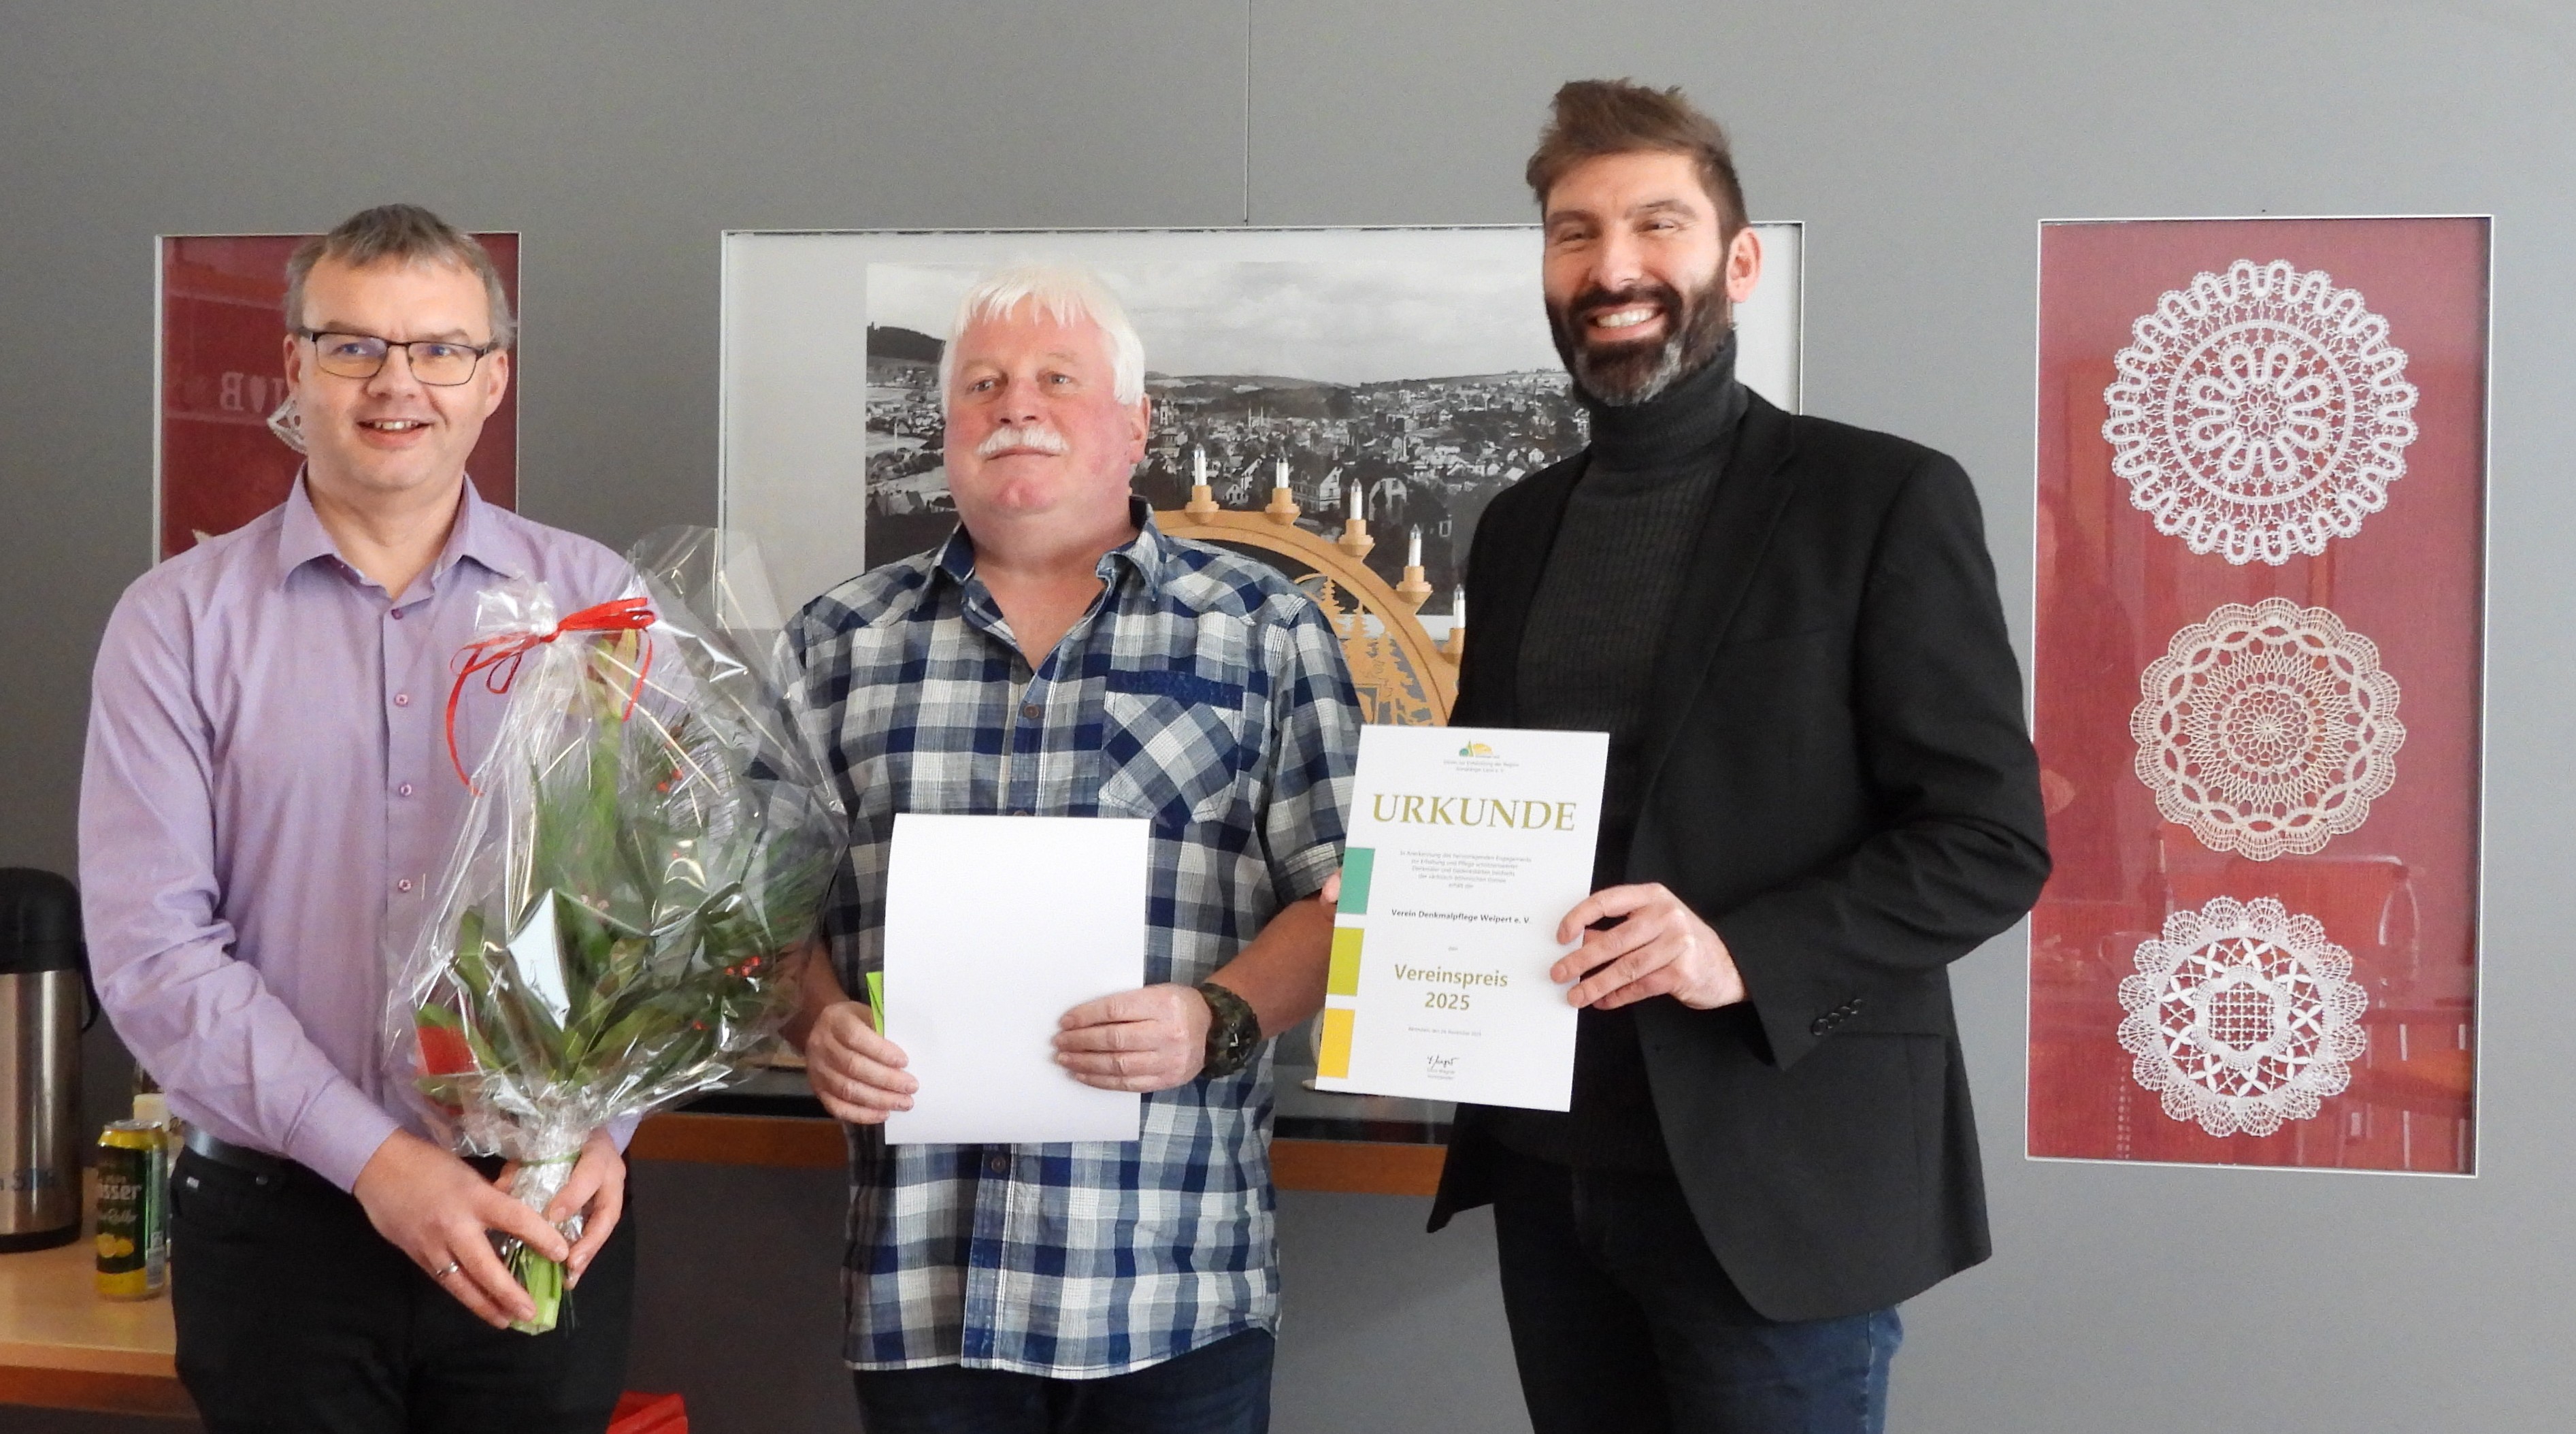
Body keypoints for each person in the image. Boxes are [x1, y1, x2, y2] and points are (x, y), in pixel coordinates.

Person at [1427, 80, 2052, 1433]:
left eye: (1658, 224)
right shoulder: (1522, 526)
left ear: (1739, 260)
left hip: (1780, 1175)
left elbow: (1993, 842)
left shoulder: (1880, 498)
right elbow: (1486, 806)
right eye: (1573, 232)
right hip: (1551, 1165)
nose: (1614, 267)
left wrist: (1738, 953)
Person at [80, 204, 640, 1432]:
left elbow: (658, 907)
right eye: (353, 347)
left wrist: (608, 1118)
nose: (399, 383)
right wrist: (381, 1165)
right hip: (278, 1240)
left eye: (440, 349)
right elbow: (153, 953)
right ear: (294, 367)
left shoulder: (598, 605)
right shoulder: (173, 623)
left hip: (537, 1212)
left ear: (492, 379)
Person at [780, 265, 1360, 1433]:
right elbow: (764, 917)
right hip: (922, 1288)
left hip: (1173, 1280)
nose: (1015, 405)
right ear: (945, 425)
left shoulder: (1267, 628)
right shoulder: (836, 642)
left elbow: (1349, 899)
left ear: (1137, 422)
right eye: (982, 384)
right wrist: (815, 1020)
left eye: (1057, 379)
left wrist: (1217, 1017)